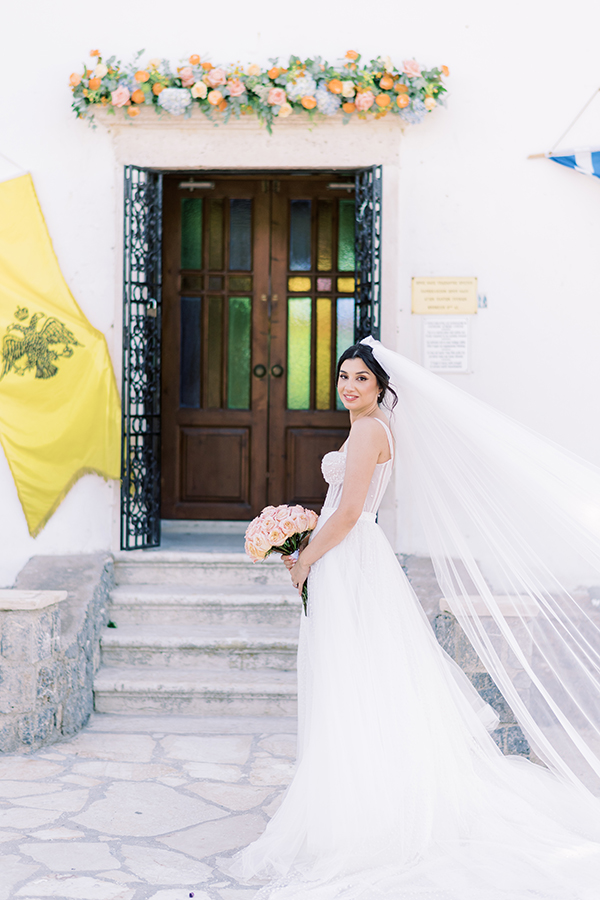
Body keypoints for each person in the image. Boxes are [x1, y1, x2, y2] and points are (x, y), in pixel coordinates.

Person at [230, 340, 600, 900]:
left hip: (349, 558)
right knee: (363, 680)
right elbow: (345, 508)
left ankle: (363, 813)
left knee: (352, 679)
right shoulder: (372, 428)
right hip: (352, 556)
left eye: (361, 378)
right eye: (342, 376)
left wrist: (305, 557)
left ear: (380, 386)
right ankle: (362, 796)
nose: (349, 385)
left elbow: (350, 512)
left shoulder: (369, 431)